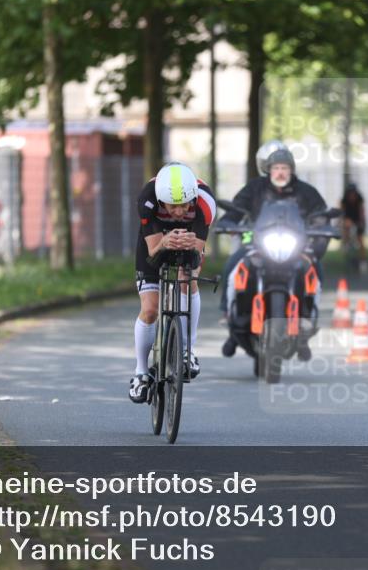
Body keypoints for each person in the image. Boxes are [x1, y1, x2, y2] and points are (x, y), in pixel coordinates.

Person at [217, 140, 329, 359]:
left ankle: (308, 319)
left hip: (296, 247)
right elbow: (237, 208)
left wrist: (317, 244)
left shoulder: (306, 192)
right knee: (233, 265)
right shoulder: (255, 188)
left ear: (292, 170)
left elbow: (320, 217)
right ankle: (229, 315)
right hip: (257, 245)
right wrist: (228, 222)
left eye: (285, 168)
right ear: (268, 170)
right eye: (276, 168)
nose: (280, 172)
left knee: (316, 270)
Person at [129, 162, 216, 404]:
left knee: (188, 278)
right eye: (171, 206)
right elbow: (152, 253)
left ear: (192, 199)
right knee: (149, 309)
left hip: (190, 237)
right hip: (156, 241)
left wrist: (190, 248)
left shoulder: (205, 203)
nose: (178, 212)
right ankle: (140, 373)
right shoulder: (147, 200)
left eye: (184, 205)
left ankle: (187, 351)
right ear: (161, 200)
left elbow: (197, 257)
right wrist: (166, 242)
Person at [340, 182, 368, 273]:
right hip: (348, 219)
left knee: (360, 240)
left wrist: (362, 222)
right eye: (350, 194)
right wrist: (342, 221)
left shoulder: (360, 199)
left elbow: (362, 212)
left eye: (353, 194)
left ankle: (363, 261)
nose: (352, 196)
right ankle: (346, 244)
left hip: (357, 219)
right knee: (346, 228)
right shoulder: (344, 200)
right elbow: (341, 212)